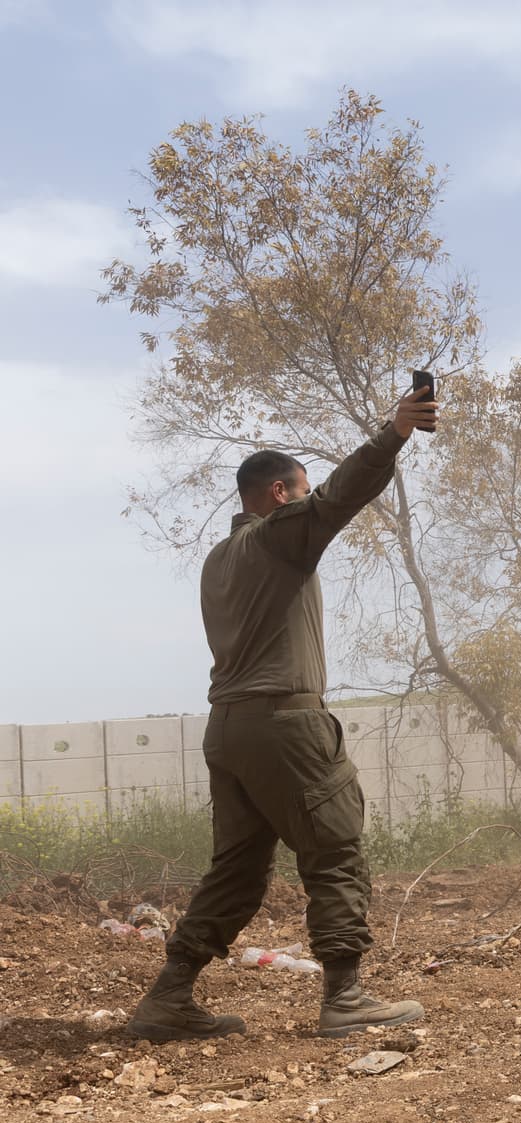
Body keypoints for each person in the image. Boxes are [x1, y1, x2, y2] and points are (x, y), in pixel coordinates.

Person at [129, 386, 440, 1041]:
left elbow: (323, 502)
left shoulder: (220, 558)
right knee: (336, 851)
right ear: (278, 494)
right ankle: (345, 997)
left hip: (229, 730)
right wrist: (394, 435)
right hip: (284, 727)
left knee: (237, 872)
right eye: (299, 491)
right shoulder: (278, 540)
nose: (306, 500)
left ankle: (168, 998)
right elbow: (339, 497)